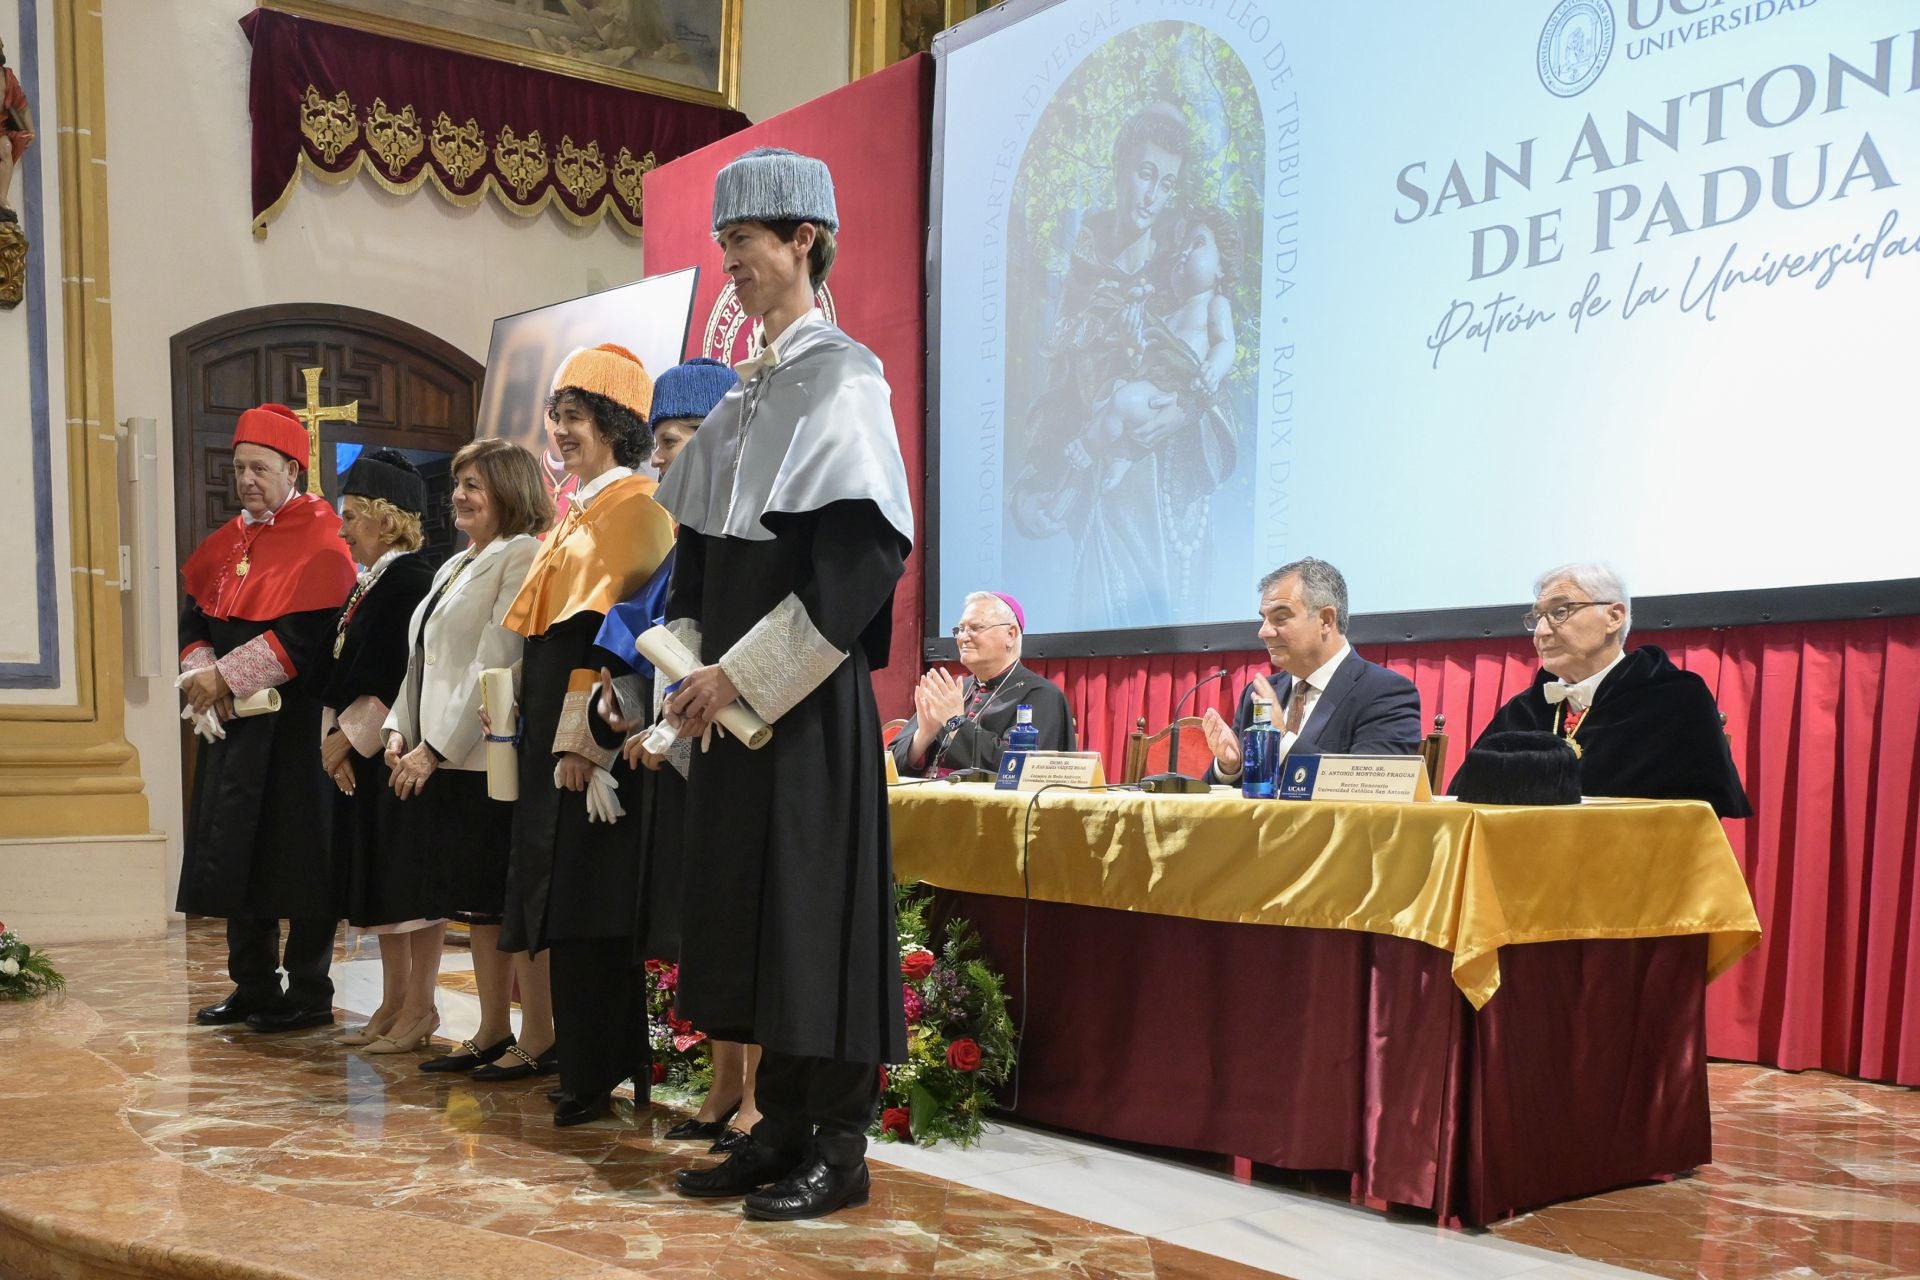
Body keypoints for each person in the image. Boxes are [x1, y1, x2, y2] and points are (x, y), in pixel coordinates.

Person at [656, 147, 914, 1221]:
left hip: (805, 714)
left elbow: (857, 567)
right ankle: (775, 1126)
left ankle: (836, 1146)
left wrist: (742, 675)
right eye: (722, 246)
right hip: (728, 710)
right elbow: (697, 563)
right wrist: (677, 664)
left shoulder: (844, 378)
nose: (730, 266)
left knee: (812, 920)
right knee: (750, 917)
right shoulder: (740, 401)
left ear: (803, 238)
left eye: (744, 243)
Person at [498, 343, 675, 1125]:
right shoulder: (580, 513)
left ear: (613, 423)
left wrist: (583, 743)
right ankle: (582, 1058)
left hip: (595, 747)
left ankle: (600, 1067)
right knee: (565, 906)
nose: (560, 432)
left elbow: (617, 642)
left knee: (593, 910)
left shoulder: (635, 509)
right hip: (557, 743)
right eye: (557, 418)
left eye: (573, 418)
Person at [590, 357, 762, 1151]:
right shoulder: (689, 535)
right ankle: (725, 1083)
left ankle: (759, 1095)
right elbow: (667, 639)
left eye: (670, 441)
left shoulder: (756, 517)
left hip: (748, 746)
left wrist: (669, 725)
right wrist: (634, 716)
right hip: (691, 751)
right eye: (656, 443)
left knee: (747, 923)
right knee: (707, 928)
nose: (657, 458)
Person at [177, 403, 357, 1032]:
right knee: (236, 857)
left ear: (293, 468)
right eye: (240, 468)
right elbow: (196, 616)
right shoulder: (226, 542)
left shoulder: (323, 537)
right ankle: (252, 984)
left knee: (301, 858)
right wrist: (204, 679)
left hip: (294, 731)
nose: (247, 479)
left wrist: (224, 677)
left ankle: (309, 990)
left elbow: (306, 635)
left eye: (260, 467)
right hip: (234, 728)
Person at [384, 439, 551, 1076]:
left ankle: (539, 1034)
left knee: (507, 904)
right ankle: (490, 1029)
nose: (457, 495)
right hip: (446, 755)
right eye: (457, 483)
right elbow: (421, 661)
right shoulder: (460, 562)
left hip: (486, 757)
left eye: (473, 484)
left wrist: (435, 747)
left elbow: (496, 662)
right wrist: (401, 728)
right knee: (478, 905)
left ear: (510, 490)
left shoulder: (523, 554)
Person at [1460, 564, 1752, 817]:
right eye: (1537, 618)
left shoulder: (1674, 700)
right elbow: (1463, 798)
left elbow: (1694, 817)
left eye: (1560, 612)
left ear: (1614, 616)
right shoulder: (1523, 710)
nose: (1542, 632)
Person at [322, 450, 439, 1053]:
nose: (342, 530)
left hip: (395, 752)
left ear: (384, 518)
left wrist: (349, 739)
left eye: (350, 517)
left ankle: (420, 1005)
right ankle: (393, 1000)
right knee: (380, 885)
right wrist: (334, 741)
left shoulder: (410, 581)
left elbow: (398, 678)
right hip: (365, 756)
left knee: (407, 887)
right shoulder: (374, 582)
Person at [1201, 557, 1422, 784]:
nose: (1263, 632)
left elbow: (1371, 787)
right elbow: (1230, 803)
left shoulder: (1385, 692)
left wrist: (1283, 740)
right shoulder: (1259, 694)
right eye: (1264, 619)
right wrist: (1231, 766)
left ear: (1326, 620)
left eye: (1280, 618)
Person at [891, 591, 1076, 777]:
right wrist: (924, 735)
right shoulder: (953, 691)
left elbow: (1019, 769)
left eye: (975, 627)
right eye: (960, 629)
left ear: (1010, 635)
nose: (963, 637)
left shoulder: (1041, 695)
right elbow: (889, 766)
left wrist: (955, 722)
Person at [0, 36, 33, 220]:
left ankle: (2, 197)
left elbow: (22, 105)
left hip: (1, 129)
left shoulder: (7, 77)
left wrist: (31, 129)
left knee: (6, 149)